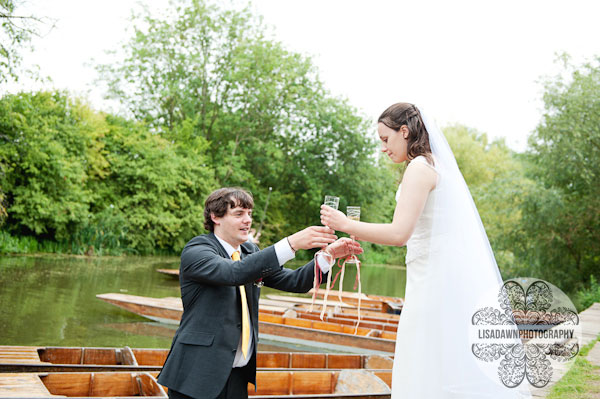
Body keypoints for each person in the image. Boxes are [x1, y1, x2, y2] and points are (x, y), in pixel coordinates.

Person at [320, 103, 530, 398]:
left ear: (404, 131)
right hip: (435, 275)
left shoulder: (419, 168)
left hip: (433, 281)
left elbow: (398, 233)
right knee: (441, 353)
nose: (383, 148)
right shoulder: (432, 165)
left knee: (424, 352)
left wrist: (345, 224)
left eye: (385, 139)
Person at [158, 187, 361, 399]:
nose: (247, 220)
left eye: (250, 213)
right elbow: (234, 273)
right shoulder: (197, 250)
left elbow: (295, 282)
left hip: (237, 375)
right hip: (196, 374)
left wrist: (327, 255)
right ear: (215, 217)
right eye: (239, 214)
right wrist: (290, 244)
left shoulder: (250, 252)